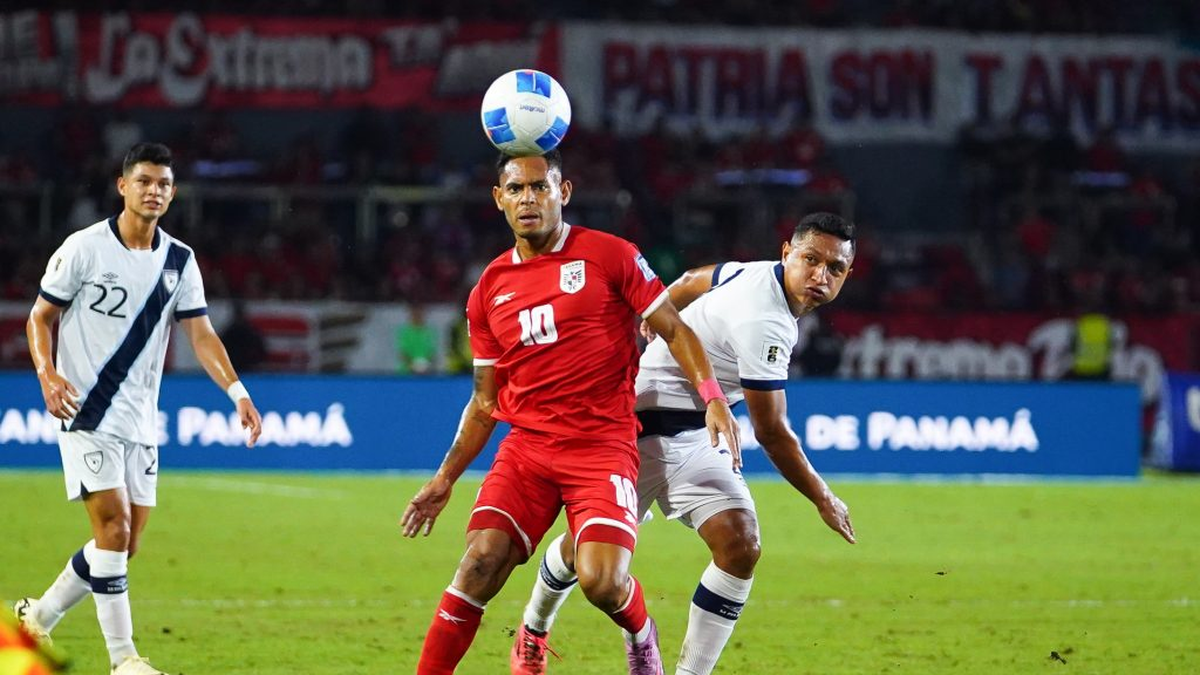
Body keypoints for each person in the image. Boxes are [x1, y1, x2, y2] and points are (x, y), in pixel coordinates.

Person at [400, 149, 740, 675]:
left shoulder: (610, 255)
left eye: (540, 187)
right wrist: (444, 478)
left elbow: (674, 327)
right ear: (499, 199)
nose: (528, 199)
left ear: (565, 192)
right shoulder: (488, 290)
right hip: (528, 450)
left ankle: (641, 631)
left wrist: (713, 396)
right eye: (516, 189)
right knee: (478, 565)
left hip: (602, 446)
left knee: (601, 582)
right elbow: (486, 401)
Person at [513, 212, 859, 675]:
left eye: (834, 269)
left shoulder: (755, 272)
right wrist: (824, 498)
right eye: (811, 260)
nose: (819, 276)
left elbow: (697, 277)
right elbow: (772, 432)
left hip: (696, 435)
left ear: (847, 275)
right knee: (585, 555)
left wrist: (661, 311)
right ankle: (534, 628)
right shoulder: (767, 320)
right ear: (787, 253)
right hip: (634, 434)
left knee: (740, 545)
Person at [14, 142, 263, 675]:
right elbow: (39, 318)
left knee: (123, 548)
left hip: (140, 419)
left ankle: (37, 618)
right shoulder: (83, 248)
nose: (154, 191)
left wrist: (238, 392)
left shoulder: (180, 261)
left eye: (164, 184)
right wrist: (47, 374)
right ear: (122, 185)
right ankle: (124, 659)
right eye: (145, 181)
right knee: (113, 529)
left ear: (172, 194)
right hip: (85, 410)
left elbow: (201, 333)